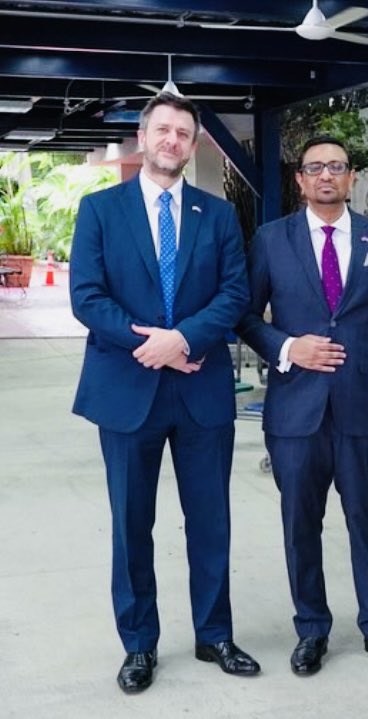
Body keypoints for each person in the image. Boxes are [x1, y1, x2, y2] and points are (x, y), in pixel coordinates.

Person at [70, 92, 259, 694]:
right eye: (163, 130)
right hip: (128, 391)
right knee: (132, 524)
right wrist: (144, 344)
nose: (173, 140)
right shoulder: (100, 210)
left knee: (210, 520)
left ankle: (215, 635)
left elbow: (235, 294)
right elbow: (87, 295)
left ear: (194, 142)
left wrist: (182, 340)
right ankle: (139, 644)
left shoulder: (218, 214)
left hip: (200, 388)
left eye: (184, 132)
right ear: (142, 137)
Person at [236, 135, 368, 676]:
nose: (327, 176)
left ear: (352, 176)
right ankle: (311, 628)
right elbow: (245, 316)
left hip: (363, 408)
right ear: (301, 180)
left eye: (337, 166)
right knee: (300, 523)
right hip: (296, 411)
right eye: (316, 168)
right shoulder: (271, 239)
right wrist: (289, 347)